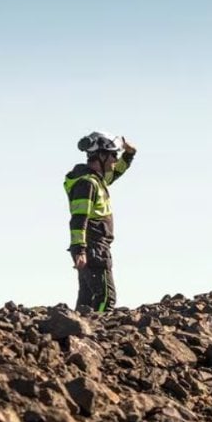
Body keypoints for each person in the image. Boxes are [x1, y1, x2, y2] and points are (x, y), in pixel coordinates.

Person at [64, 132, 137, 314]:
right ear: (101, 156)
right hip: (94, 247)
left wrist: (130, 153)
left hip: (94, 247)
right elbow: (79, 219)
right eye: (113, 155)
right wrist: (79, 250)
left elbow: (117, 171)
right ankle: (94, 336)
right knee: (106, 298)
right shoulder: (87, 184)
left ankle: (80, 334)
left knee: (87, 301)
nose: (115, 160)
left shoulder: (97, 180)